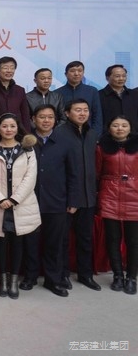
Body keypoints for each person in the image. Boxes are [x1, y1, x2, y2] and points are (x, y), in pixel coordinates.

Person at [0, 113, 41, 299]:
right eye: (4, 126)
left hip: (21, 204)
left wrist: (15, 199)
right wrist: (0, 199)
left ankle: (14, 280)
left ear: (18, 128)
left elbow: (30, 177)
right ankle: (3, 279)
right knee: (1, 243)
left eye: (12, 126)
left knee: (18, 242)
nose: (8, 130)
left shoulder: (27, 150)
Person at [31, 104, 80, 297]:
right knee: (31, 243)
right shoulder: (26, 141)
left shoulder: (65, 142)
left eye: (50, 117)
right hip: (30, 201)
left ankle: (53, 280)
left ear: (55, 120)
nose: (46, 120)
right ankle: (30, 277)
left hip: (57, 201)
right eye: (41, 117)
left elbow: (74, 173)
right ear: (33, 119)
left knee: (54, 244)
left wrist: (73, 200)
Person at [57, 99, 101, 291]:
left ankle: (85, 275)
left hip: (88, 196)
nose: (82, 113)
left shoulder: (92, 134)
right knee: (63, 240)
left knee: (85, 239)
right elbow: (59, 169)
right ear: (67, 113)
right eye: (77, 110)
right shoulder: (60, 134)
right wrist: (71, 198)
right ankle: (63, 274)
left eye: (85, 110)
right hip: (67, 197)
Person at [96, 116, 138, 295]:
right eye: (115, 125)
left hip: (134, 197)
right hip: (110, 196)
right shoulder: (101, 147)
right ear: (109, 128)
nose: (120, 128)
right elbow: (97, 173)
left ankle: (132, 277)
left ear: (130, 128)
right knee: (112, 239)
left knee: (133, 241)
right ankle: (118, 275)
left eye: (124, 125)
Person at [0, 56, 32, 132]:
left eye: (12, 68)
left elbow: (25, 115)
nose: (9, 71)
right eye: (5, 68)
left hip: (16, 133)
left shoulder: (20, 90)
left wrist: (27, 134)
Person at [55, 61, 102, 134]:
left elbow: (97, 115)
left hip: (87, 133)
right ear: (66, 74)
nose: (76, 74)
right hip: (64, 133)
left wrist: (95, 134)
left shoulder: (92, 91)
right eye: (72, 71)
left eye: (80, 71)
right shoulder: (57, 93)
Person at [99, 65, 138, 134]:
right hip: (108, 136)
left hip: (133, 135)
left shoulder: (134, 94)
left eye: (124, 76)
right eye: (117, 76)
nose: (121, 79)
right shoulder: (99, 95)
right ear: (107, 78)